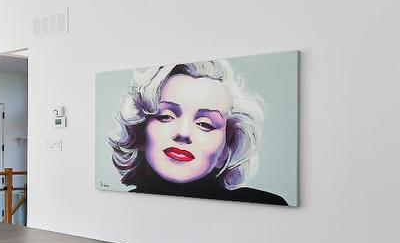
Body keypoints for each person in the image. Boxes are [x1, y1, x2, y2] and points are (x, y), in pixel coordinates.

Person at [108, 60, 286, 205]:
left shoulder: (263, 204)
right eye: (166, 116)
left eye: (205, 124)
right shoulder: (118, 207)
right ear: (139, 134)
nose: (183, 133)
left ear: (226, 150)